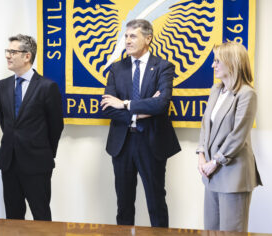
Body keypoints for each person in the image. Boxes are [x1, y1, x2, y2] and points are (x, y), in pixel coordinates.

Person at [101, 19, 181, 227]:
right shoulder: (116, 69)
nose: (127, 41)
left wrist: (126, 105)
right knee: (124, 205)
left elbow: (161, 105)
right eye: (125, 36)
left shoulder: (163, 67)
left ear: (148, 38)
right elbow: (109, 107)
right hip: (123, 144)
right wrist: (140, 112)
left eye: (132, 36)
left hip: (152, 143)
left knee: (156, 203)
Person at [0, 34, 64, 221]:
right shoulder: (2, 86)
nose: (8, 55)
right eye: (7, 51)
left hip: (37, 162)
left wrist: (45, 152)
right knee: (13, 215)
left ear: (27, 56)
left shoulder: (47, 87)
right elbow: (5, 122)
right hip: (9, 162)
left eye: (12, 51)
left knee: (41, 215)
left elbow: (56, 126)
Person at [196, 41, 262, 232]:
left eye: (217, 61)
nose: (213, 65)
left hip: (233, 175)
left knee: (231, 232)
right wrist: (201, 155)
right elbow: (205, 125)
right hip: (210, 174)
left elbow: (238, 136)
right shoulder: (216, 90)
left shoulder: (247, 94)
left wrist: (214, 162)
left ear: (232, 63)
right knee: (211, 230)